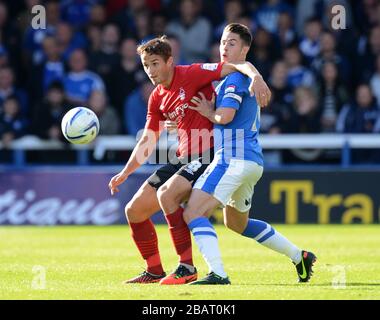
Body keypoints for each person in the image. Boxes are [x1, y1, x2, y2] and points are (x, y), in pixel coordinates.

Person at [108, 35, 271, 284]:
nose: (150, 71)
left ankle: (186, 267)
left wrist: (257, 77)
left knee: (167, 194)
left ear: (169, 61)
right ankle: (153, 271)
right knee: (135, 210)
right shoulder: (157, 97)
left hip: (209, 155)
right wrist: (126, 172)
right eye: (146, 65)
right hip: (183, 158)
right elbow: (148, 140)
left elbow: (235, 66)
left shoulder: (192, 73)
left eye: (155, 63)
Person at [182, 23, 316, 285]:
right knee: (236, 224)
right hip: (251, 161)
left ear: (245, 49)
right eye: (222, 42)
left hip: (232, 158)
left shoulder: (234, 79)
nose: (224, 47)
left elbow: (226, 116)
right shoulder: (236, 77)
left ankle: (218, 274)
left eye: (232, 43)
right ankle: (299, 256)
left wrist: (210, 113)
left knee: (193, 212)